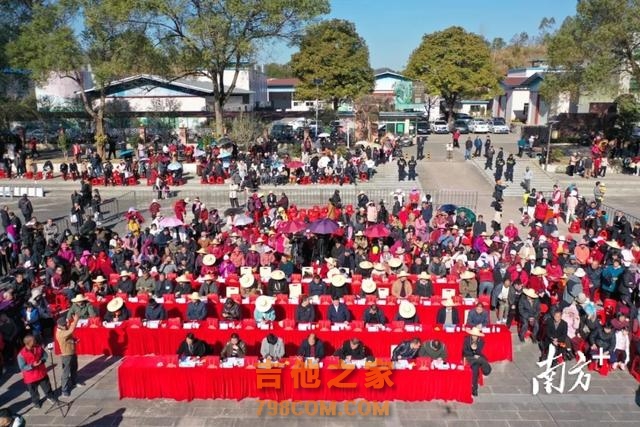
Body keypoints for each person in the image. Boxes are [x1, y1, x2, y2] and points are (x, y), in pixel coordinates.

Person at [17, 335, 59, 408]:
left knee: (47, 387)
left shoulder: (39, 347)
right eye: (33, 340)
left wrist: (42, 361)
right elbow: (22, 367)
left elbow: (45, 355)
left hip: (41, 373)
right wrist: (32, 365)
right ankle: (36, 402)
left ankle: (50, 397)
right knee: (33, 391)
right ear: (28, 343)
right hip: (30, 377)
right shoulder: (21, 355)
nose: (35, 341)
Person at [56, 315, 81, 397]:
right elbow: (71, 330)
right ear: (59, 326)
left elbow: (69, 337)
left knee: (74, 368)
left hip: (72, 352)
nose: (66, 326)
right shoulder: (60, 333)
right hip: (66, 355)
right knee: (66, 373)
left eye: (65, 324)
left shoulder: (64, 330)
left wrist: (74, 340)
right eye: (64, 325)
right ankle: (64, 390)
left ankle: (74, 382)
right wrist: (75, 321)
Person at [463, 327, 492, 396]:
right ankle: (486, 368)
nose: (474, 337)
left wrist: (476, 352)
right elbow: (465, 352)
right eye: (473, 335)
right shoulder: (467, 340)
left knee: (475, 368)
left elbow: (480, 352)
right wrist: (473, 354)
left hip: (477, 359)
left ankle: (474, 389)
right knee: (480, 360)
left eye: (476, 335)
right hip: (469, 357)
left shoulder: (481, 341)